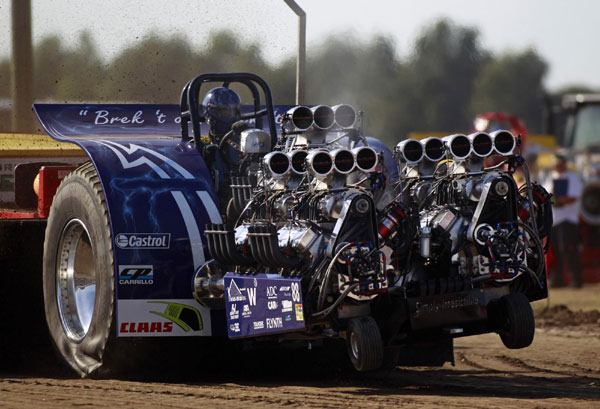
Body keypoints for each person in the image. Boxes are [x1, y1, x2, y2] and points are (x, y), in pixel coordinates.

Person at [543, 153, 584, 287]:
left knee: (569, 251)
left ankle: (576, 280)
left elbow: (573, 197)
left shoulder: (572, 178)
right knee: (555, 253)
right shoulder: (551, 177)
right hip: (555, 220)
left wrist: (558, 200)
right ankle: (557, 280)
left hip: (568, 219)